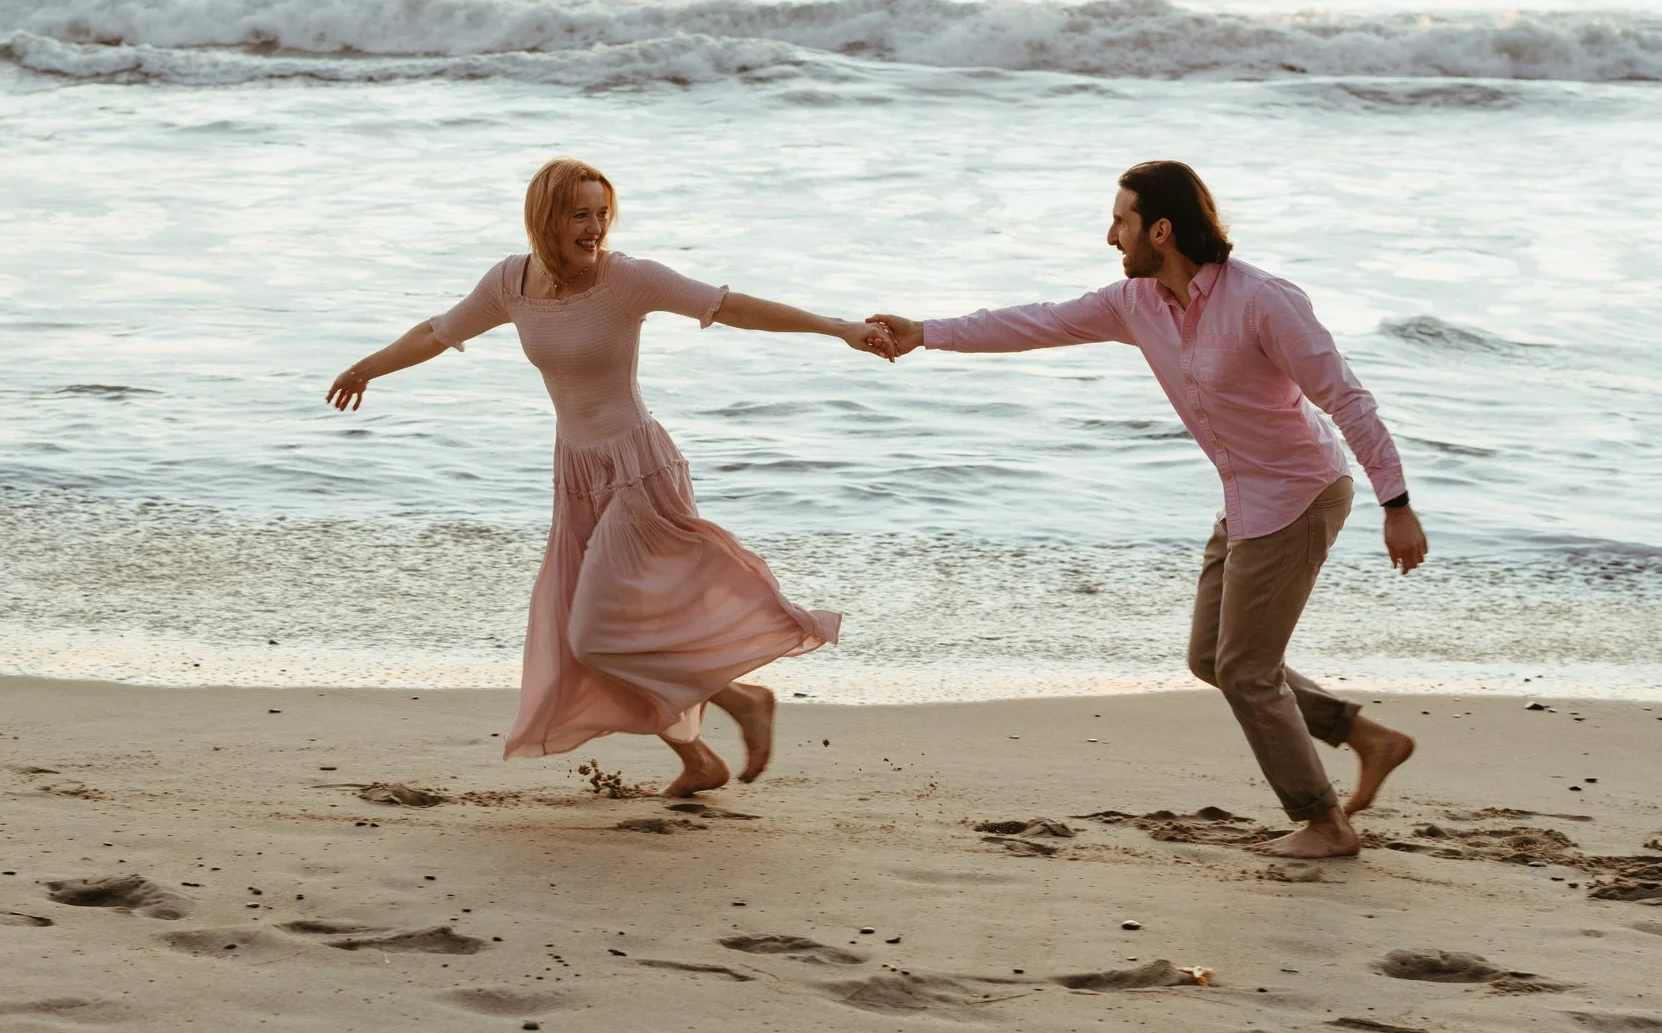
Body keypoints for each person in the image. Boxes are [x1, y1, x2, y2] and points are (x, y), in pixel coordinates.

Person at [866, 161, 1425, 859]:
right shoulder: (1138, 302)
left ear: (1161, 230)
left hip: (1300, 495)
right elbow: (1036, 322)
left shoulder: (1263, 301)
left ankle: (1325, 822)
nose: (1110, 235)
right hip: (1244, 497)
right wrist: (925, 331)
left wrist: (1395, 503)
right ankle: (1367, 736)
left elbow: (1348, 397)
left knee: (1248, 671)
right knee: (1210, 658)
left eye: (1121, 221)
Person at [328, 157, 893, 796]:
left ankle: (742, 701)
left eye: (602, 213)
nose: (595, 227)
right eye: (580, 214)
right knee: (608, 633)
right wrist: (366, 368)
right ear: (546, 218)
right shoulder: (508, 284)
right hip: (575, 474)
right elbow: (437, 332)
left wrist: (839, 327)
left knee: (598, 635)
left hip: (638, 470)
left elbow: (730, 307)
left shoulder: (628, 280)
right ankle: (698, 759)